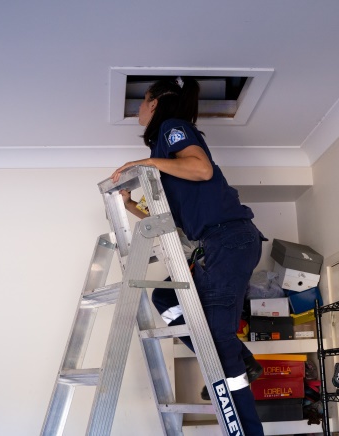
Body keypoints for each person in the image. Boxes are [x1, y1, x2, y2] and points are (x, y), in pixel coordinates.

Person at [110, 77, 265, 435]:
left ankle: (245, 423)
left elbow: (202, 169)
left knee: (218, 334)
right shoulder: (166, 160)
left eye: (142, 102)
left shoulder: (172, 128)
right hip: (215, 244)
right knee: (165, 295)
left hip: (228, 240)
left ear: (156, 102)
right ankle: (239, 362)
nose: (138, 110)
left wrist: (145, 162)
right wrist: (133, 206)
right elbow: (173, 223)